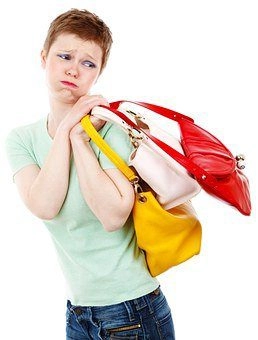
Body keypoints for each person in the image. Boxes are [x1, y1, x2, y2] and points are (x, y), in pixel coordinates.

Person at [5, 8, 175, 340]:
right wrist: (69, 125)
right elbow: (44, 205)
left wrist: (81, 139)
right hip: (78, 312)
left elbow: (113, 215)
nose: (73, 69)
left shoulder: (110, 132)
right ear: (44, 57)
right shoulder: (21, 139)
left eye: (88, 63)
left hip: (132, 309)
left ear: (98, 74)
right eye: (65, 56)